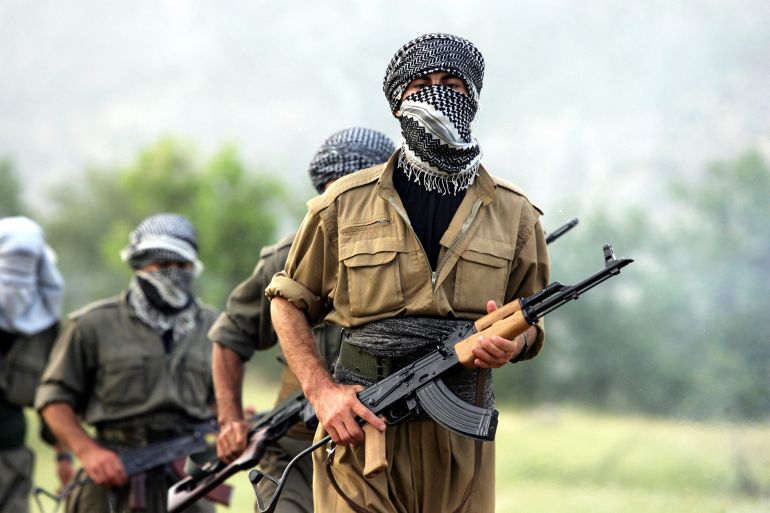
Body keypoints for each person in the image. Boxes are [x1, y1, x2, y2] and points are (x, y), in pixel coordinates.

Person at [266, 33, 551, 512]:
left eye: (452, 84)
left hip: (461, 436)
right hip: (362, 428)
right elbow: (288, 301)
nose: (436, 95)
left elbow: (533, 317)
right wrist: (322, 393)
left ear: (474, 100)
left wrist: (513, 342)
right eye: (420, 85)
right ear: (397, 103)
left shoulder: (515, 212)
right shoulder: (341, 204)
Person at [211, 127, 395, 513]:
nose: (346, 198)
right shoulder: (286, 257)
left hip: (382, 444)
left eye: (360, 184)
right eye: (333, 189)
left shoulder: (411, 256)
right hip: (295, 444)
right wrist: (229, 420)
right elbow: (232, 335)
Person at [36, 213, 218, 513]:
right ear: (138, 265)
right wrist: (88, 452)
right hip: (112, 472)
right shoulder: (93, 324)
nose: (173, 273)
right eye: (161, 265)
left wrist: (230, 419)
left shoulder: (215, 327)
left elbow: (217, 401)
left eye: (182, 265)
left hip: (187, 479)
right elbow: (53, 400)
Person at [0, 216, 72, 513]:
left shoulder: (43, 327)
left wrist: (64, 457)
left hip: (10, 455)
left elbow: (54, 392)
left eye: (26, 262)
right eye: (9, 262)